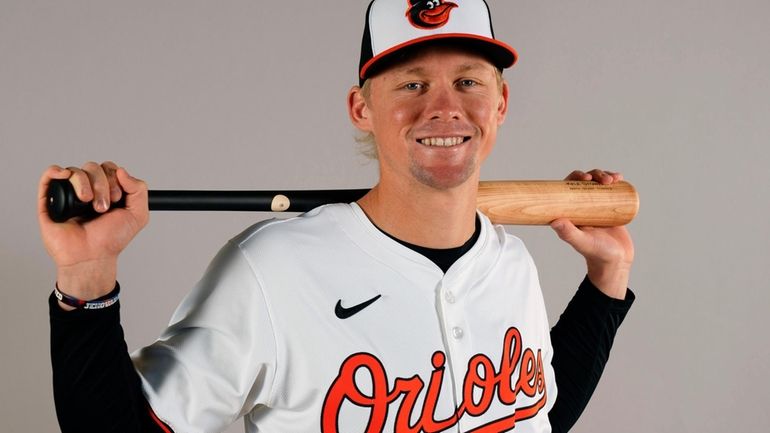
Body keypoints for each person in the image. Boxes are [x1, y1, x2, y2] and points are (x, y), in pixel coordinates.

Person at [39, 1, 635, 432]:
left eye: (467, 81)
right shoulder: (274, 269)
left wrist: (606, 283)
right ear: (362, 108)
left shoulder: (510, 263)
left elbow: (536, 418)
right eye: (411, 84)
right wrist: (88, 279)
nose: (445, 107)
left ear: (499, 103)